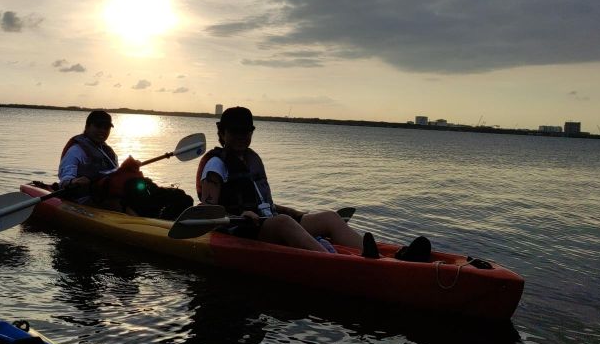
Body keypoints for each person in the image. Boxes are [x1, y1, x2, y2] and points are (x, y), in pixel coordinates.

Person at [196, 106, 376, 254]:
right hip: (239, 229)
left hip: (265, 223)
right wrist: (239, 216)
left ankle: (380, 258)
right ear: (222, 133)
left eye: (246, 131)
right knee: (283, 221)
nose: (241, 136)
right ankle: (336, 263)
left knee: (329, 217)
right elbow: (208, 212)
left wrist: (293, 211)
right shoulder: (216, 165)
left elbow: (263, 204)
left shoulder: (251, 160)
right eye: (235, 131)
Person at [59, 110, 193, 218]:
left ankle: (171, 218)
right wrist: (74, 181)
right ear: (87, 127)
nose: (102, 131)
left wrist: (130, 169)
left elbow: (115, 176)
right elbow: (64, 180)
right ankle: (149, 223)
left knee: (178, 196)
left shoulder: (108, 152)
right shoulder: (76, 150)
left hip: (114, 193)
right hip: (89, 198)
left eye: (106, 127)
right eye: (98, 126)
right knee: (132, 196)